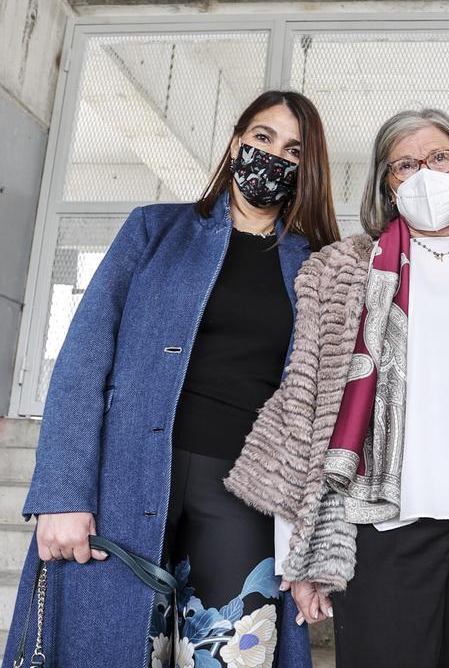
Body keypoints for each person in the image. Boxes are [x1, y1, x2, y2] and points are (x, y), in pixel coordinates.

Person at [227, 108, 449, 668]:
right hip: (382, 529)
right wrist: (298, 553)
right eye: (404, 164)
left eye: (439, 157)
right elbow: (306, 408)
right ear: (385, 185)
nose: (425, 172)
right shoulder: (340, 270)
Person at [4, 90, 340, 668]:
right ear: (236, 142)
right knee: (108, 650)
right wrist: (62, 492)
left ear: (306, 170)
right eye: (262, 138)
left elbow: (326, 407)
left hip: (244, 494)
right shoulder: (153, 232)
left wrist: (316, 544)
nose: (272, 157)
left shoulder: (318, 265)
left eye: (292, 150)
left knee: (230, 656)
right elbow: (83, 361)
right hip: (126, 480)